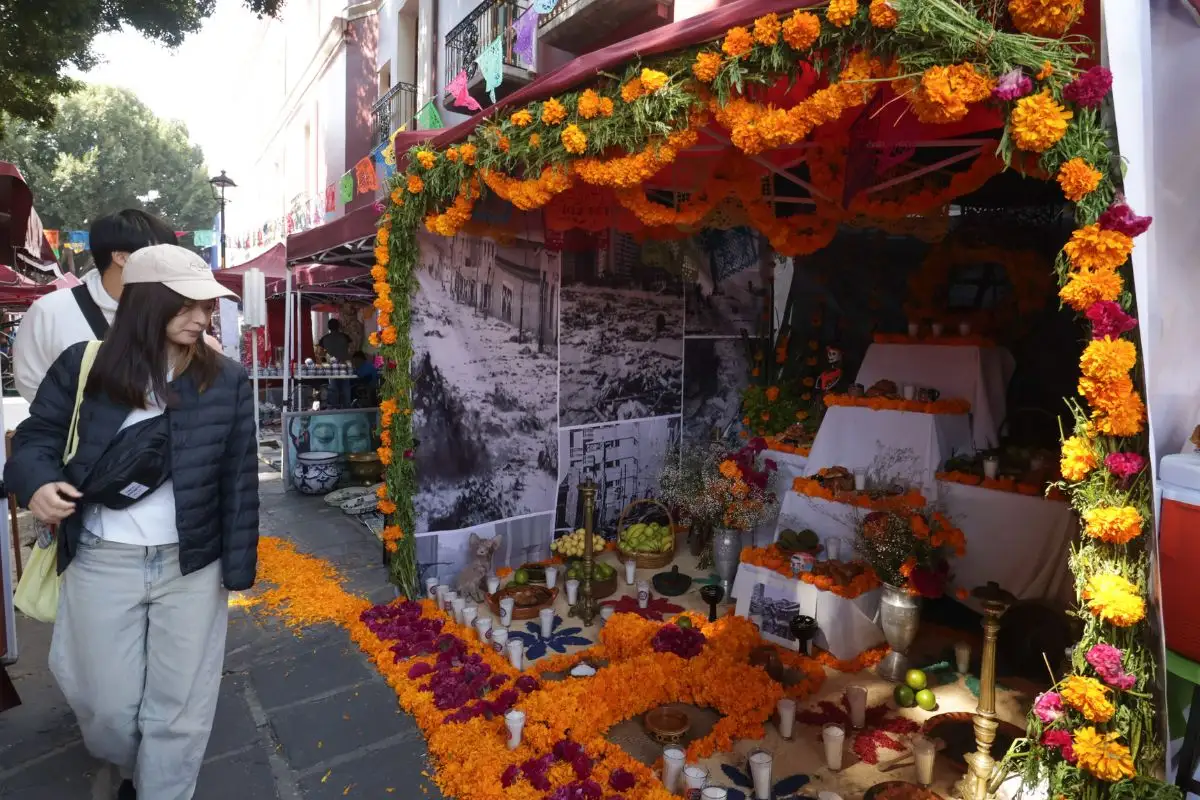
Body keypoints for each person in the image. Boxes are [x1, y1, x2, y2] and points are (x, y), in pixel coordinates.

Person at [6, 245, 259, 800]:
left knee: (180, 709)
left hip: (192, 563)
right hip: (101, 557)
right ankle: (125, 766)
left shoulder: (225, 379)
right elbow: (37, 437)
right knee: (105, 704)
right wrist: (38, 483)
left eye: (207, 306)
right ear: (148, 303)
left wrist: (238, 569)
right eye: (188, 304)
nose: (202, 317)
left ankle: (160, 789)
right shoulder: (84, 365)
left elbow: (240, 477)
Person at [13, 210, 177, 402]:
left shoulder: (176, 310)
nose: (172, 263)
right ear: (122, 257)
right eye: (161, 253)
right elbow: (31, 382)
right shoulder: (50, 312)